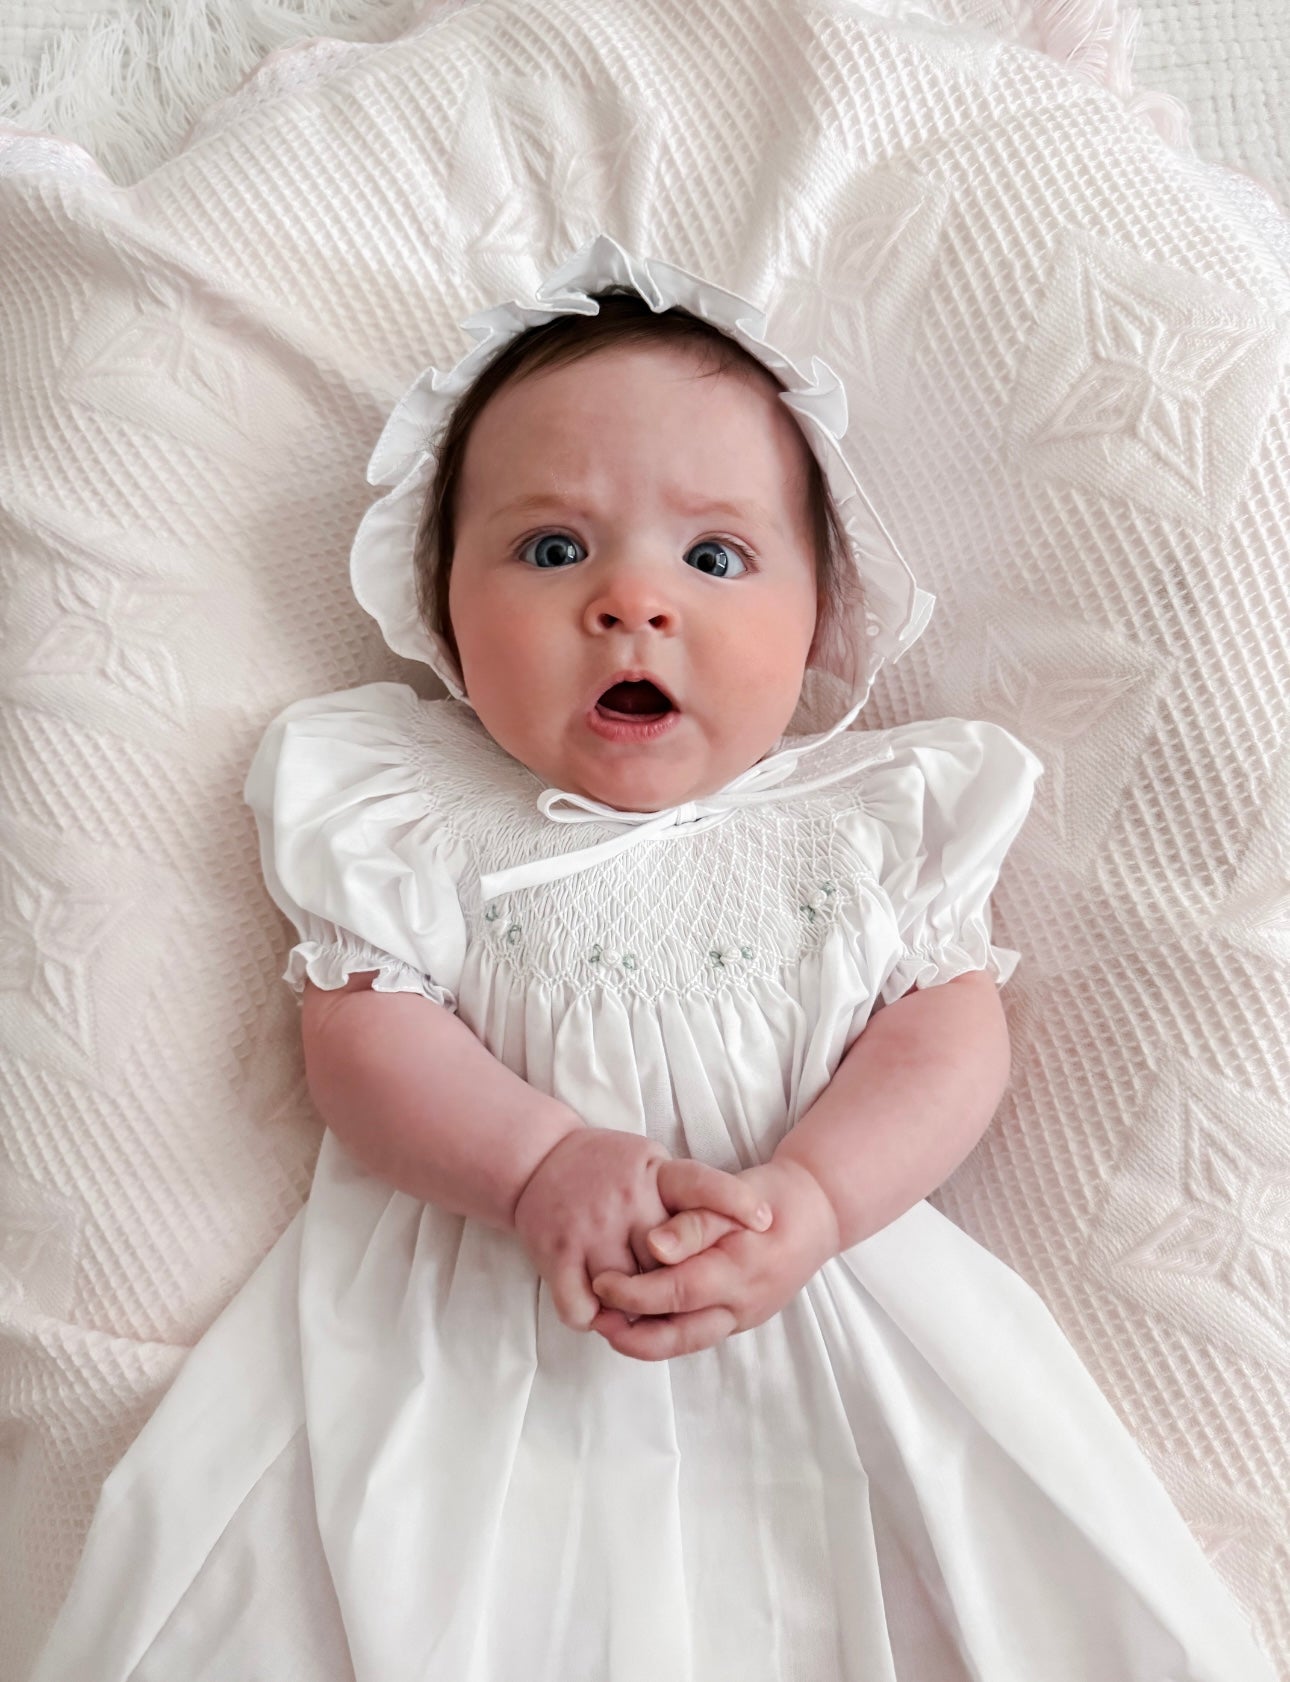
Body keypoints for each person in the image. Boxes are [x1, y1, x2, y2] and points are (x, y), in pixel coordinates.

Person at [31, 237, 1274, 1682]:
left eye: (714, 555)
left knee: (943, 1579)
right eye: (551, 549)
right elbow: (363, 1041)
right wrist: (533, 1164)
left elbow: (946, 1035)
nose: (633, 601)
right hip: (468, 1322)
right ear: (440, 611)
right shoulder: (407, 810)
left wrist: (812, 1195)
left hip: (819, 1290)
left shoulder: (870, 820)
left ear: (820, 615)